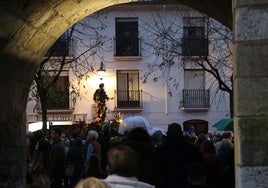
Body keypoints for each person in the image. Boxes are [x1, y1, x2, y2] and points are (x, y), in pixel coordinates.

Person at [155, 123, 206, 188]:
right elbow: (202, 169)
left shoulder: (159, 150)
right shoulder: (193, 150)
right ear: (181, 133)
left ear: (167, 134)